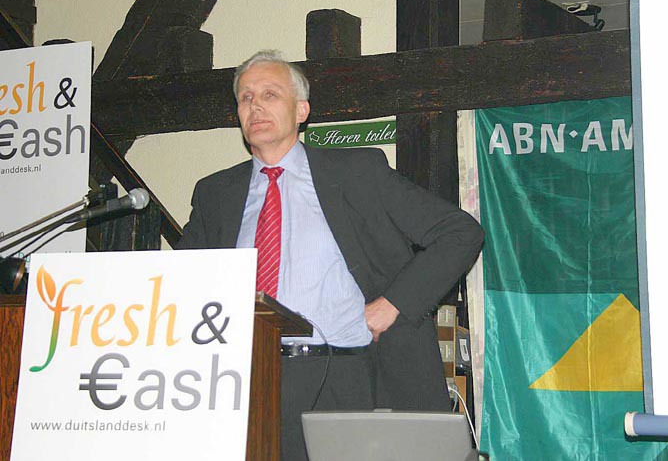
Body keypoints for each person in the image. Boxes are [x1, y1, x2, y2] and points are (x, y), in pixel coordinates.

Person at [177, 50, 483, 460]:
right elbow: (183, 280)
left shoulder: (356, 173)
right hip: (244, 380)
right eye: (246, 97)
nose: (255, 106)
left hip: (343, 376)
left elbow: (459, 232)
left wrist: (392, 304)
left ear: (301, 110)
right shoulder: (216, 193)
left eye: (270, 94)